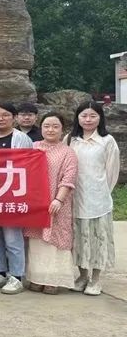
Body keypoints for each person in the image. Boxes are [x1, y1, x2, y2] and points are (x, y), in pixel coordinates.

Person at [67, 101, 120, 296]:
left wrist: (102, 192)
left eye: (93, 116)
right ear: (77, 118)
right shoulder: (70, 139)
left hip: (98, 200)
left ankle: (96, 279)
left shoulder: (107, 141)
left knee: (98, 239)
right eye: (84, 115)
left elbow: (112, 172)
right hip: (74, 198)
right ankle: (82, 276)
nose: (88, 120)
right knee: (78, 239)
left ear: (100, 118)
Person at [0, 102, 34, 294]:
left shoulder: (21, 139)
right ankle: (0, 271)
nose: (1, 119)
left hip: (12, 196)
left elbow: (27, 168)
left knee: (12, 238)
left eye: (5, 115)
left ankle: (17, 276)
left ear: (14, 117)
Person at [24, 113, 78, 294]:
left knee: (56, 243)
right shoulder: (33, 147)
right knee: (36, 242)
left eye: (55, 126)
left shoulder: (68, 152)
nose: (50, 130)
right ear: (41, 128)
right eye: (46, 126)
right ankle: (36, 278)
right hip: (36, 205)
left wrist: (58, 199)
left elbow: (68, 179)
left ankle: (53, 280)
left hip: (57, 205)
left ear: (62, 129)